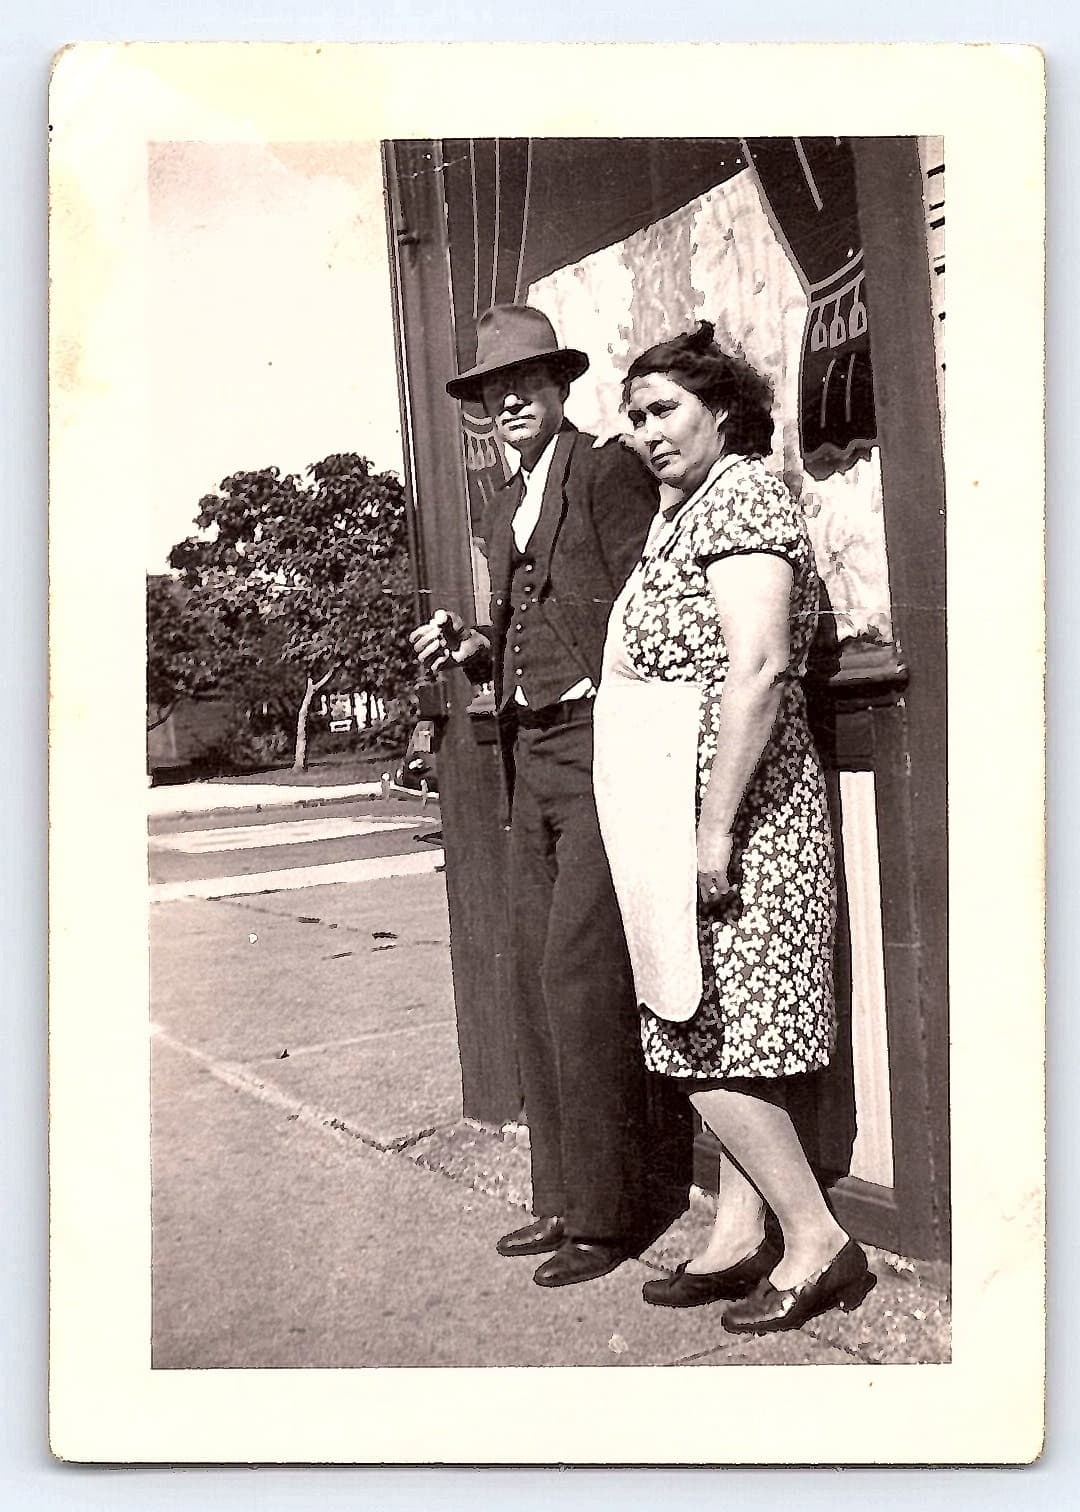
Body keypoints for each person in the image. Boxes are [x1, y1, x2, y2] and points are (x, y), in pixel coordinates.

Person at [592, 321, 875, 1332]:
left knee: (700, 1031)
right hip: (695, 801)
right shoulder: (692, 507)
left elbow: (756, 668)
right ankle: (739, 1235)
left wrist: (712, 835)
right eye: (634, 417)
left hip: (741, 813)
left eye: (664, 409)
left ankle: (817, 1240)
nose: (646, 431)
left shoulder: (746, 494)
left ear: (722, 409)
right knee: (727, 1031)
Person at [410, 304, 687, 1287]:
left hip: (605, 746)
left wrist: (641, 732)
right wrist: (468, 643)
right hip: (532, 756)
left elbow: (644, 606)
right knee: (534, 972)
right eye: (493, 390)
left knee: (579, 976)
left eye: (525, 382)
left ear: (560, 387)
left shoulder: (605, 469)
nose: (509, 399)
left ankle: (607, 1217)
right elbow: (506, 637)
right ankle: (560, 1199)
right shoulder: (500, 504)